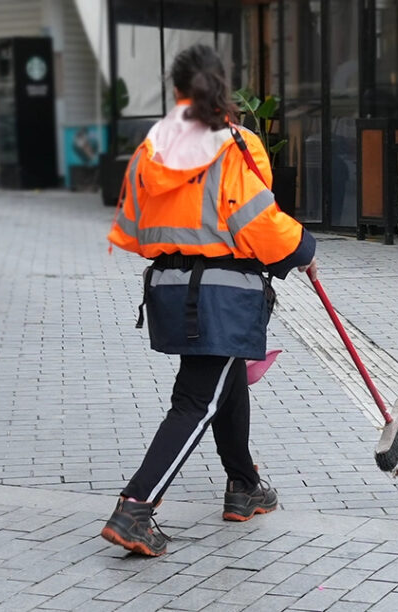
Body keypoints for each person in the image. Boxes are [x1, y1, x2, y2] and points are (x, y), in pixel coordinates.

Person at [101, 44, 316, 557]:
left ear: (175, 90)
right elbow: (257, 220)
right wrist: (302, 250)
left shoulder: (151, 148)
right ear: (221, 85)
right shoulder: (235, 144)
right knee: (196, 400)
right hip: (225, 293)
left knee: (227, 379)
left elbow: (131, 227)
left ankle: (243, 485)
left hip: (169, 290)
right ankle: (135, 509)